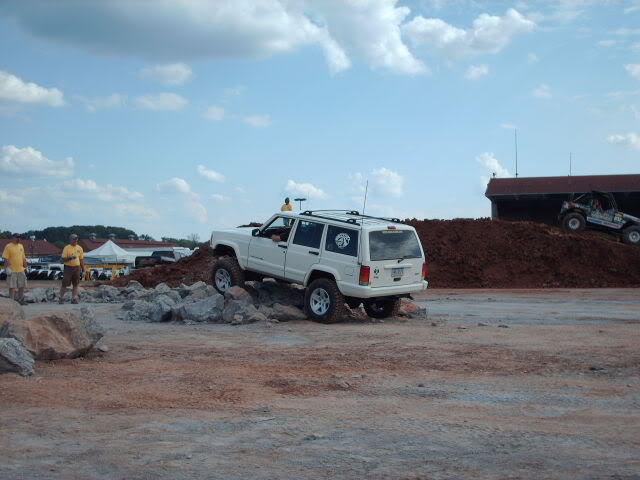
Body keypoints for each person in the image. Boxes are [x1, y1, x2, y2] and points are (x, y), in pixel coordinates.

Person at [2, 233, 28, 305]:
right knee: (12, 287)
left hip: (20, 270)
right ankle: (12, 302)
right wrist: (6, 268)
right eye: (17, 237)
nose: (19, 239)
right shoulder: (8, 246)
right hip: (12, 270)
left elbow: (23, 257)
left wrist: (26, 267)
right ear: (13, 238)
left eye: (19, 237)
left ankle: (21, 300)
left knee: (22, 286)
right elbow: (5, 258)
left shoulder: (21, 246)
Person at [59, 234, 84, 304]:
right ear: (71, 240)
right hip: (68, 268)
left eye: (76, 239)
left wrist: (83, 269)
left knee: (76, 284)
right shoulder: (66, 248)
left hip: (77, 268)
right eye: (74, 239)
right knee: (64, 283)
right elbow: (62, 260)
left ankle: (74, 298)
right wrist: (70, 258)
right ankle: (61, 298)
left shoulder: (80, 248)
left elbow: (81, 259)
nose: (76, 240)